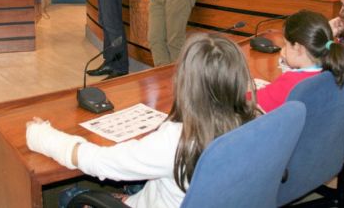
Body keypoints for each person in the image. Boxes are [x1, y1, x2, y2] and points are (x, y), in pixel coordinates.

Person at [26, 33, 258, 208]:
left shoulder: (175, 141)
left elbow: (97, 161)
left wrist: (40, 135)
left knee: (71, 196)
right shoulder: (256, 117)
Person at [256, 10, 344, 113]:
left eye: (286, 44)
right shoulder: (332, 69)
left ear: (298, 48)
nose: (284, 48)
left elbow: (249, 101)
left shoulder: (291, 82)